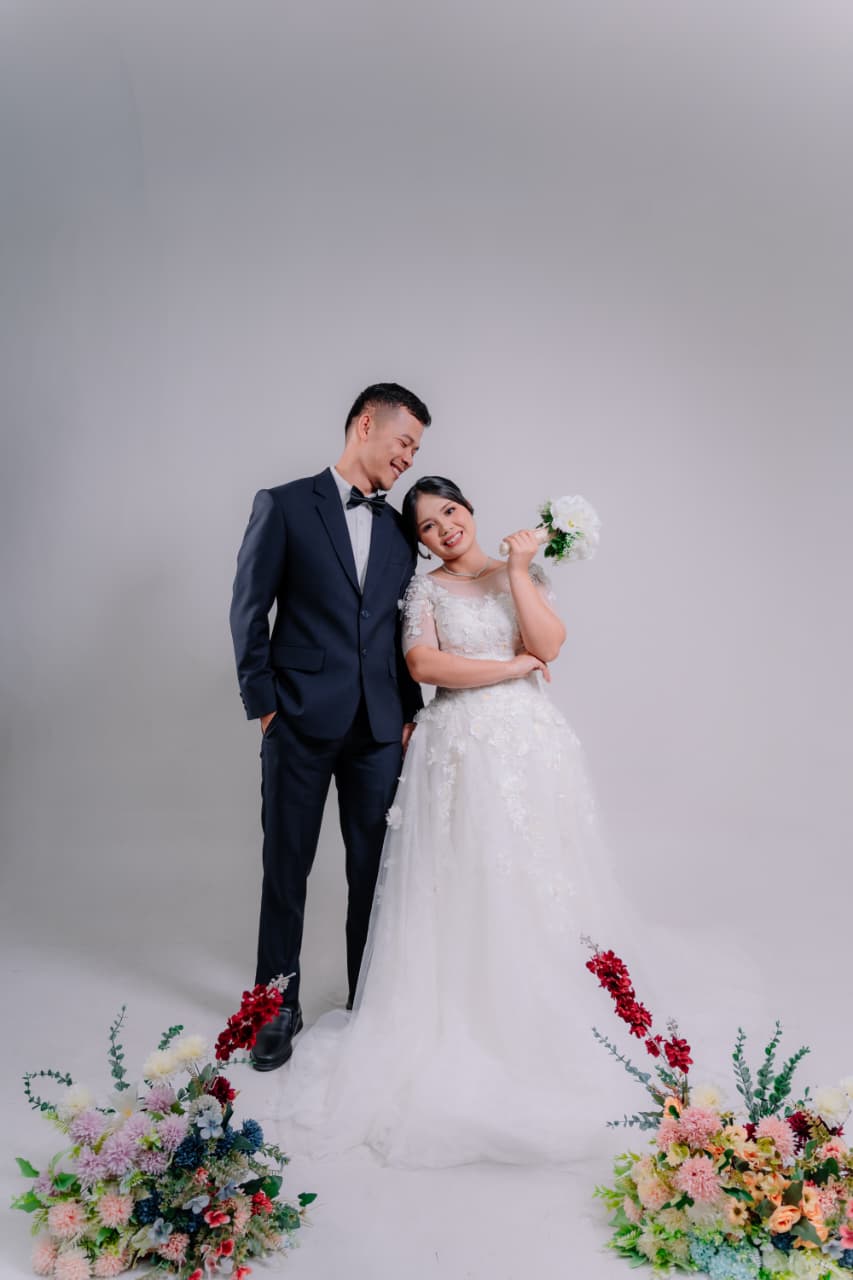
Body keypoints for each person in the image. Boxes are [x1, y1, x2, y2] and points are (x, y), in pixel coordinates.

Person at [264, 475, 645, 1166]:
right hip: (460, 744)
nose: (444, 530)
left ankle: (536, 1007)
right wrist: (511, 666)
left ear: (468, 509)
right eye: (428, 527)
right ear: (421, 542)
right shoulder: (425, 589)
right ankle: (461, 1006)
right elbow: (423, 663)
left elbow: (550, 642)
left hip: (529, 746)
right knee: (465, 874)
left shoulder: (518, 572)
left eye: (449, 513)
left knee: (536, 873)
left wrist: (520, 571)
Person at [229, 383, 431, 1071]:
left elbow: (401, 629)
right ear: (365, 425)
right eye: (404, 442)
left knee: (374, 871)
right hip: (297, 720)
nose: (408, 459)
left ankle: (367, 1001)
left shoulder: (402, 530)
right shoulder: (284, 505)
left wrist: (409, 713)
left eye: (416, 450)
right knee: (286, 867)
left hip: (379, 729)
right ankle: (273, 1007)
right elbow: (248, 610)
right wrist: (265, 707)